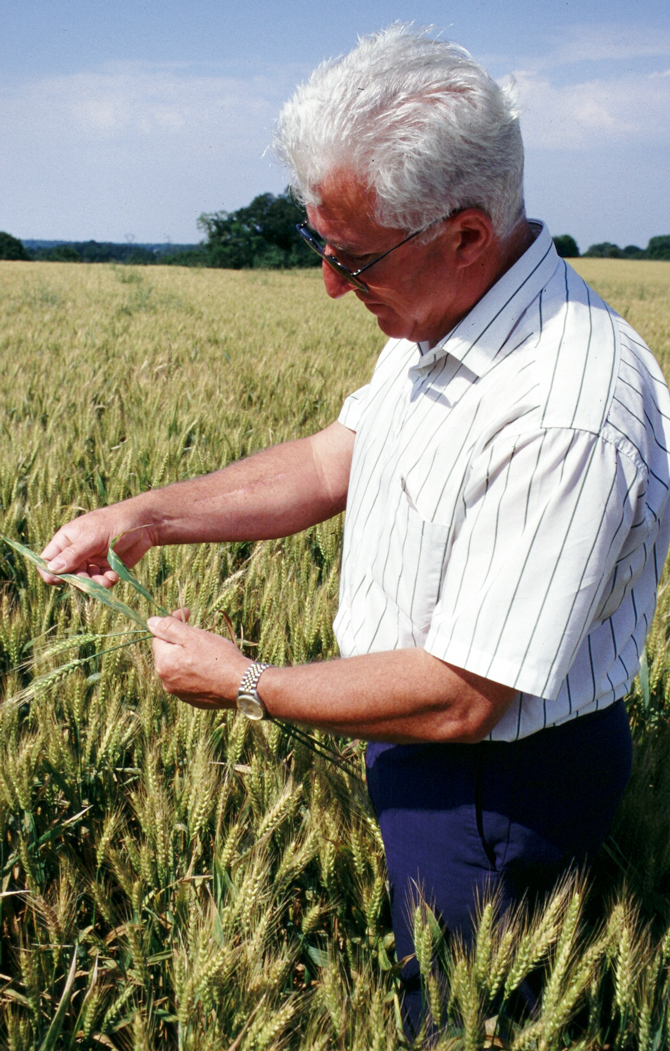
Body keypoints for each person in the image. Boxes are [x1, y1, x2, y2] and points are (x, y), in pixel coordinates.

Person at [40, 25, 670, 1032]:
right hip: (411, 733)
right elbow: (341, 454)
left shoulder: (563, 411)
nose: (330, 284)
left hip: (491, 782)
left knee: (459, 1017)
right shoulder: (443, 316)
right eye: (319, 246)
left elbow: (464, 692)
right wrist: (148, 515)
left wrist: (242, 684)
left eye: (353, 256)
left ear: (465, 235)